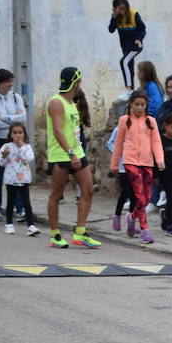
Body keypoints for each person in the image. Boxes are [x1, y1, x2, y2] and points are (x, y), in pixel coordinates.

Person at [45, 66, 101, 250]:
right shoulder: (56, 102)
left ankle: (80, 232)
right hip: (61, 155)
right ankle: (55, 235)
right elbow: (57, 131)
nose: (80, 85)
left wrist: (77, 153)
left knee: (88, 189)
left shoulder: (72, 103)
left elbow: (73, 131)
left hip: (77, 152)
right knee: (56, 194)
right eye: (79, 81)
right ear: (74, 82)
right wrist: (70, 154)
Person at [110, 89, 164, 245]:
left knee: (146, 199)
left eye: (142, 105)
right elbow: (118, 144)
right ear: (131, 105)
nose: (139, 108)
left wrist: (159, 159)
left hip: (147, 163)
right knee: (139, 196)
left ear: (146, 105)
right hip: (130, 162)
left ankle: (132, 217)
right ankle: (145, 230)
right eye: (136, 104)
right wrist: (114, 164)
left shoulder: (151, 121)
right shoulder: (124, 120)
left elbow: (156, 142)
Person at [0, 68, 26, 221]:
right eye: (7, 82)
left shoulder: (15, 97)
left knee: (17, 173)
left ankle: (20, 208)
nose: (10, 84)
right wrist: (13, 122)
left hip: (13, 141)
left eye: (11, 81)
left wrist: (4, 118)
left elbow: (23, 119)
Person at [0, 121, 39, 236]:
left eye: (20, 132)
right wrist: (5, 154)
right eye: (15, 133)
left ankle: (31, 225)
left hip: (23, 178)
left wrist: (21, 147)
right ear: (10, 134)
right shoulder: (6, 147)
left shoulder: (27, 147)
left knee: (26, 202)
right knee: (11, 202)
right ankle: (9, 224)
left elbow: (28, 159)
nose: (18, 135)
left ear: (24, 134)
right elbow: (1, 162)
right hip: (11, 179)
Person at [107, 0, 145, 96]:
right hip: (126, 47)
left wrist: (139, 39)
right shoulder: (116, 17)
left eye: (123, 8)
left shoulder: (134, 14)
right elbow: (111, 30)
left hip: (136, 45)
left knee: (123, 61)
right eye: (119, 9)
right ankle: (131, 91)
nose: (122, 11)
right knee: (129, 67)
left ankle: (128, 89)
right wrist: (114, 18)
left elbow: (142, 28)